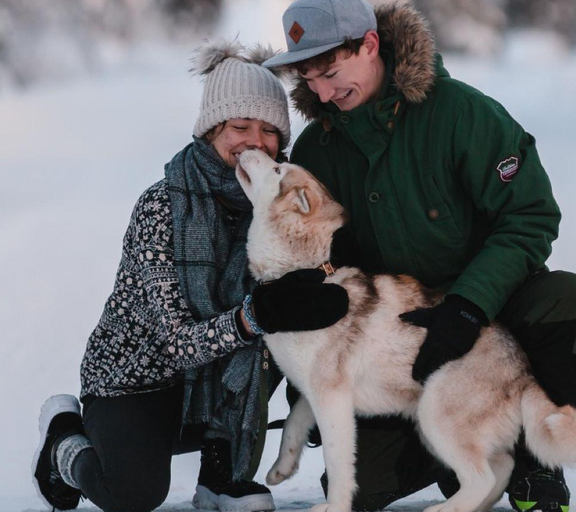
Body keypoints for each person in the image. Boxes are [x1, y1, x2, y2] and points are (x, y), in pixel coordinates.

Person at [262, 1, 576, 511]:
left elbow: (530, 218)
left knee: (566, 302)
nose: (325, 93)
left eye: (332, 73)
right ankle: (465, 456)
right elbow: (317, 264)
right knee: (367, 485)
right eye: (311, 81)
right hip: (398, 344)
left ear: (371, 45)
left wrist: (469, 304)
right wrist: (307, 381)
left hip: (489, 308)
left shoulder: (461, 113)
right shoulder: (318, 149)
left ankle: (535, 468)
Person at [31, 40, 349, 512]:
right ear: (211, 129)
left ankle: (220, 477)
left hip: (218, 381)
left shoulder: (272, 206)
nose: (254, 143)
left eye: (268, 131)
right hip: (136, 380)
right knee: (133, 493)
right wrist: (252, 317)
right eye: (240, 127)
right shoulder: (161, 205)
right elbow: (179, 342)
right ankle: (63, 440)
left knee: (280, 321)